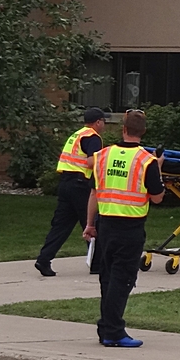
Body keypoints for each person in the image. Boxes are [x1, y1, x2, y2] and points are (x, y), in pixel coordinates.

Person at [82, 110, 165, 348]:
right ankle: (114, 332)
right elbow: (157, 197)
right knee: (122, 280)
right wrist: (159, 167)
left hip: (105, 224)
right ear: (143, 132)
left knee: (107, 279)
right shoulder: (146, 161)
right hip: (129, 228)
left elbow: (94, 193)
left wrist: (90, 224)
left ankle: (106, 328)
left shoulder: (103, 156)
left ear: (123, 129)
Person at [35, 107, 106, 277]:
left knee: (61, 225)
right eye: (103, 121)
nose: (104, 124)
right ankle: (97, 265)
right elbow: (91, 162)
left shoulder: (77, 135)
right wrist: (105, 159)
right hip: (80, 185)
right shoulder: (93, 137)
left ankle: (44, 259)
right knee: (92, 223)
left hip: (66, 183)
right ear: (98, 122)